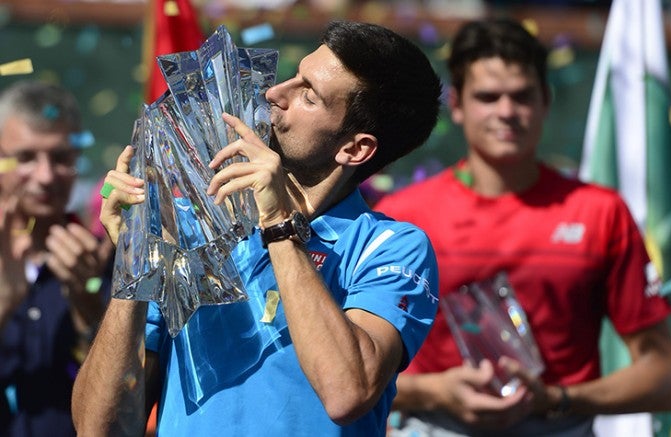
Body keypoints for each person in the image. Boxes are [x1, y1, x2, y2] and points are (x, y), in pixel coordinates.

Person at [71, 20, 442, 436]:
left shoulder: (391, 247)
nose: (274, 94)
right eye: (294, 75)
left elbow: (346, 392)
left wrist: (278, 224)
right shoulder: (193, 226)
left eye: (308, 95)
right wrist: (134, 259)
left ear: (355, 149)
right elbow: (98, 429)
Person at [375, 18, 671, 436]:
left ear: (545, 102)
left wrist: (558, 399)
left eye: (521, 96)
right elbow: (350, 364)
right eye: (488, 96)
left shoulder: (599, 212)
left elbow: (664, 377)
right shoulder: (403, 216)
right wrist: (434, 392)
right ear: (458, 107)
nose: (507, 111)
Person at [0, 80, 113, 436]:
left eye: (62, 158)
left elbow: (125, 397)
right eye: (26, 158)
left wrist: (88, 308)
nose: (46, 176)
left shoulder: (100, 261)